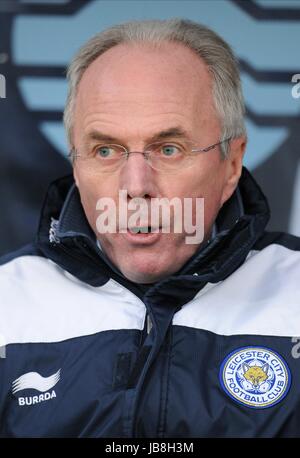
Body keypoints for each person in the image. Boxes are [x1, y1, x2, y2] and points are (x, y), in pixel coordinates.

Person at [0, 18, 299, 439]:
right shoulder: (7, 305)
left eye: (169, 149)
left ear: (231, 165)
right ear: (76, 164)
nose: (136, 187)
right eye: (105, 150)